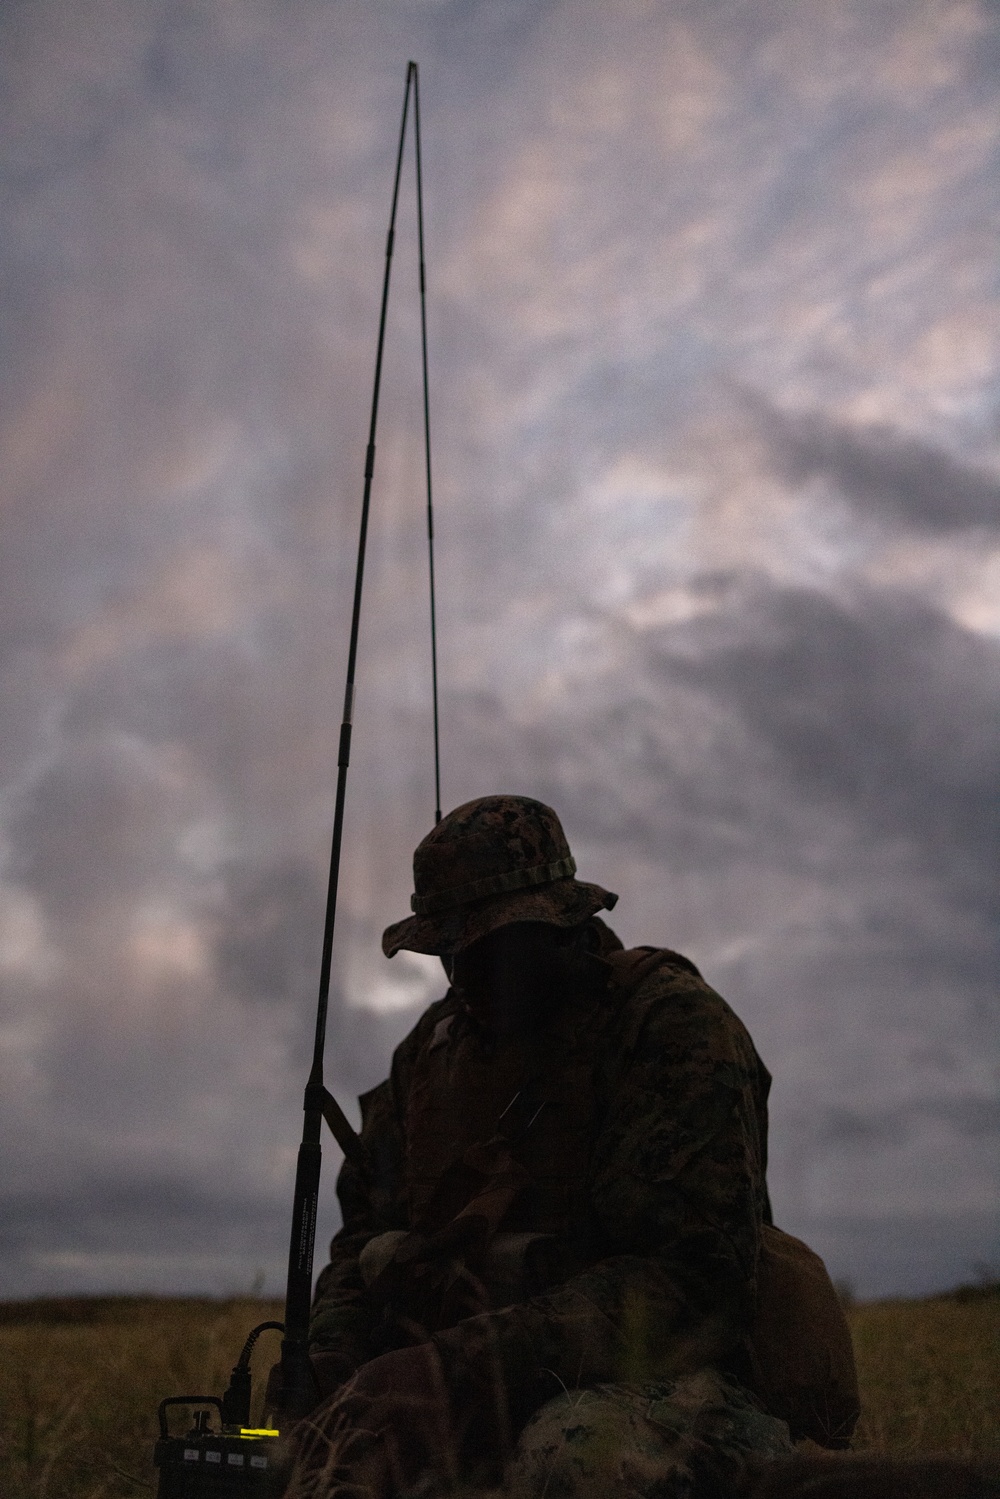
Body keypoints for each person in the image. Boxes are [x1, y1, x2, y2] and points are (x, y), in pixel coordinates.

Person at [279, 794, 799, 1498]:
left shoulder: (668, 1027)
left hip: (659, 1381)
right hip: (459, 1382)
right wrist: (330, 1369)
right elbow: (364, 1241)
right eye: (451, 952)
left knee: (572, 1459)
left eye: (493, 947)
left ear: (561, 922)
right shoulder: (427, 1060)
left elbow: (692, 1286)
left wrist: (455, 1370)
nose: (466, 978)